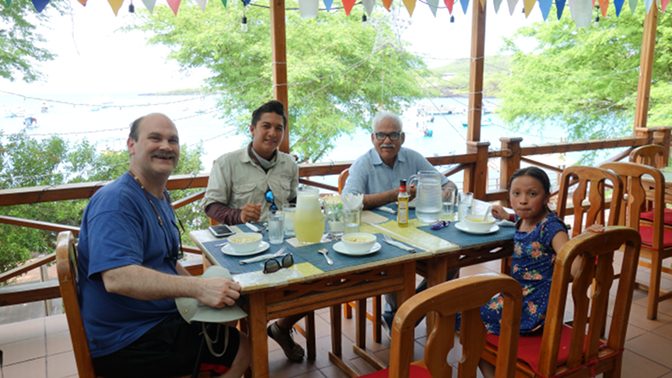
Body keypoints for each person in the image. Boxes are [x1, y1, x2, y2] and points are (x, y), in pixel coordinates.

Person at [77, 113, 250, 378]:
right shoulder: (117, 201)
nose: (166, 147)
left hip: (153, 321)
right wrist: (198, 287)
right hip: (128, 340)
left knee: (230, 310)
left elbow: (167, 260)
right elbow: (117, 277)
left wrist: (203, 288)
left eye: (173, 140)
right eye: (155, 138)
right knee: (246, 346)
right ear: (131, 145)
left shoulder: (156, 194)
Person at [201, 100, 307, 362]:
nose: (272, 133)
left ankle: (281, 328)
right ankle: (233, 354)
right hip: (241, 249)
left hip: (283, 245)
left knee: (315, 283)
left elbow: (293, 201)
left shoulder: (289, 164)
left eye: (278, 128)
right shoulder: (227, 163)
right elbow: (210, 205)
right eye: (266, 126)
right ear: (252, 129)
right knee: (237, 301)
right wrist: (237, 215)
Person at [342, 110, 458, 337]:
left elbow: (448, 184)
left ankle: (408, 313)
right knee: (397, 265)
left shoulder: (413, 157)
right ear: (372, 138)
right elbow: (348, 202)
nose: (387, 141)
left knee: (451, 262)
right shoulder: (362, 164)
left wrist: (443, 192)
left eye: (393, 135)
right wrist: (397, 194)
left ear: (402, 138)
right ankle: (401, 313)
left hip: (416, 230)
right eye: (381, 135)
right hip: (377, 235)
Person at [479, 167, 600, 377]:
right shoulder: (523, 219)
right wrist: (507, 214)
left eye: (532, 194)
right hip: (519, 297)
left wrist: (584, 242)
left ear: (546, 197)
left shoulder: (551, 228)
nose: (523, 201)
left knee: (465, 317)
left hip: (532, 308)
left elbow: (575, 269)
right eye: (516, 194)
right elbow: (520, 215)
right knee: (468, 317)